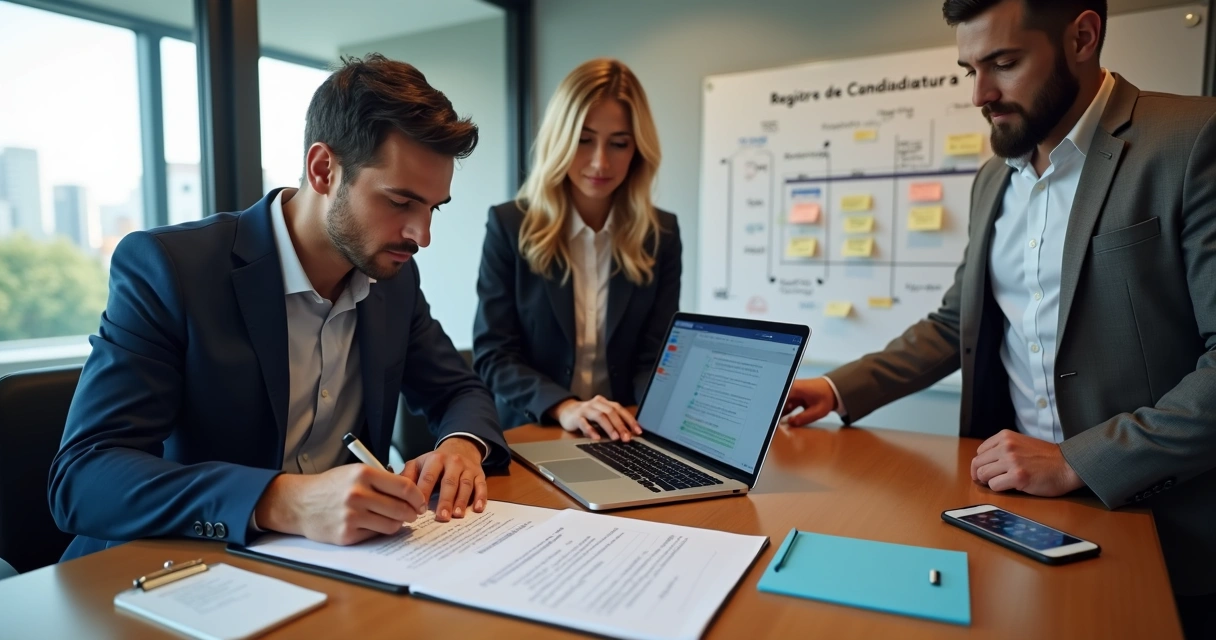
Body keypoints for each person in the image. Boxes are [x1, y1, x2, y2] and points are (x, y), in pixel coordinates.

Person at [780, 1, 1216, 635]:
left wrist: (1077, 461)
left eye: (1004, 63)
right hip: (1018, 516)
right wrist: (836, 387)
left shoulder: (1191, 140)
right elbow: (957, 323)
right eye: (970, 70)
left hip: (1165, 529)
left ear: (1082, 37)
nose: (980, 94)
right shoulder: (993, 178)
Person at [49, 54, 508, 560]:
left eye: (432, 207)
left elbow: (458, 390)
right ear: (323, 169)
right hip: (178, 567)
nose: (422, 235)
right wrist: (282, 500)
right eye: (400, 202)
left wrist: (461, 446)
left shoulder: (391, 279)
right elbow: (83, 476)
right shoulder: (172, 269)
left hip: (345, 566)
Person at [473, 58, 681, 440]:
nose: (600, 162)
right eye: (584, 140)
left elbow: (655, 357)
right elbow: (494, 355)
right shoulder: (509, 225)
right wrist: (565, 406)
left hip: (623, 431)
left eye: (619, 143)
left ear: (638, 149)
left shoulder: (660, 233)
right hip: (535, 429)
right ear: (560, 139)